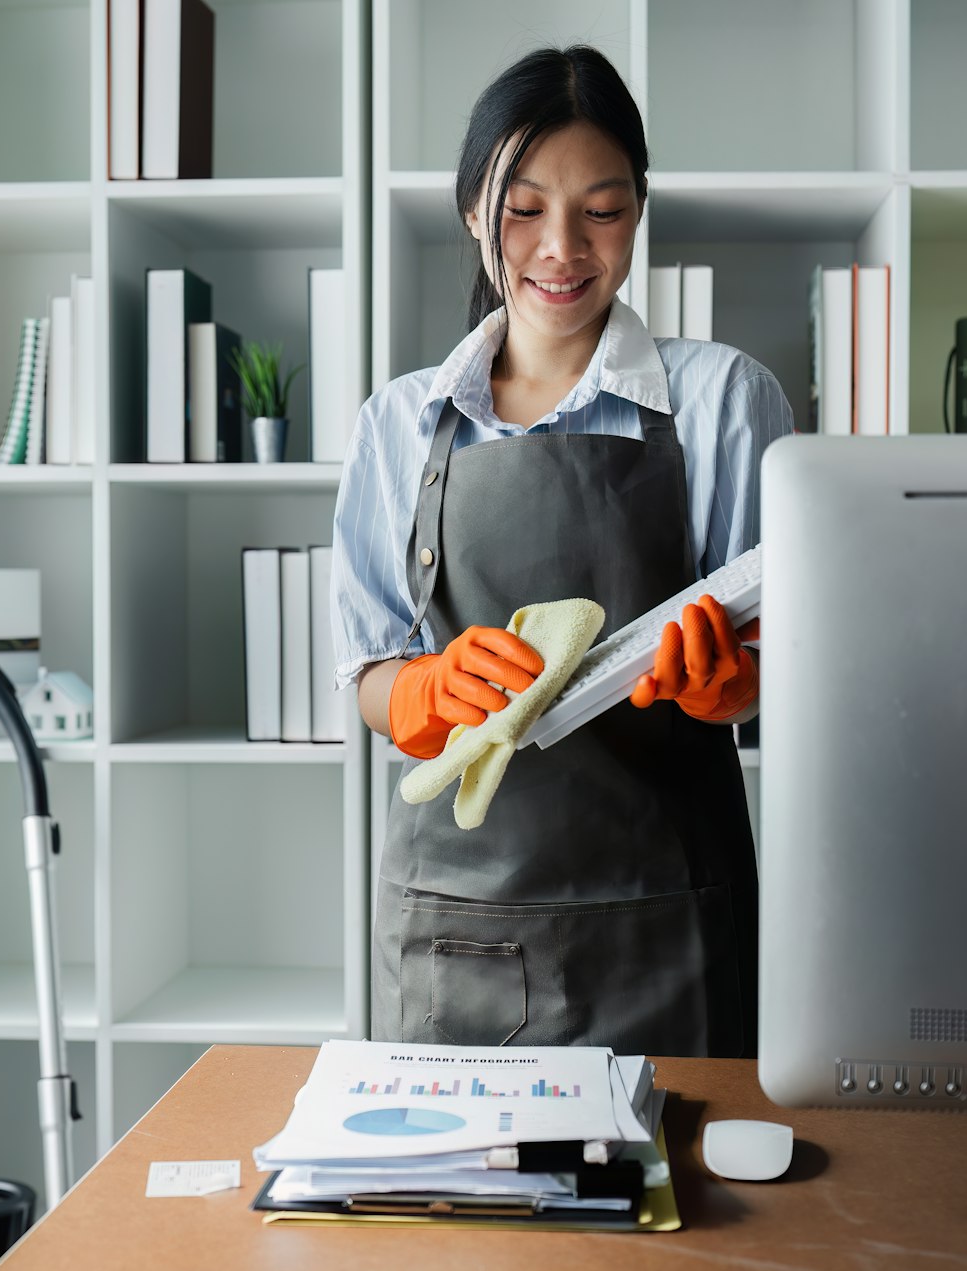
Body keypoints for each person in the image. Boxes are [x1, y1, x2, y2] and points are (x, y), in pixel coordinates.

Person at [330, 45, 792, 1057]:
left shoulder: (721, 400)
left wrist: (730, 685)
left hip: (670, 917)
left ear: (637, 212)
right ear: (471, 214)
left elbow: (778, 662)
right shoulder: (398, 424)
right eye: (523, 208)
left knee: (688, 1204)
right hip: (455, 927)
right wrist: (420, 693)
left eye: (602, 208)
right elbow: (366, 673)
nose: (561, 248)